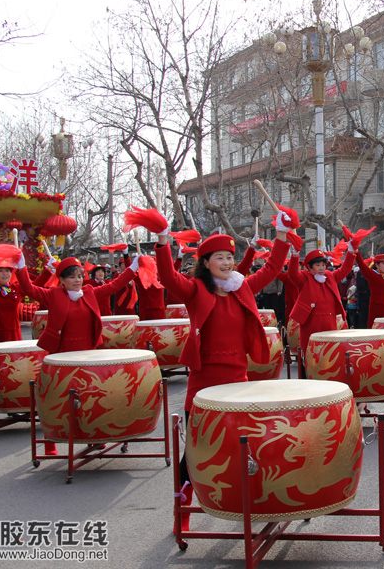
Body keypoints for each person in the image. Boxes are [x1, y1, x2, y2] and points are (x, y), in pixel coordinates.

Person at [154, 209, 292, 530]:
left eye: (231, 256)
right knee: (197, 453)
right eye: (220, 257)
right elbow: (166, 278)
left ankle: (260, 499)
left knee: (249, 444)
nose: (228, 262)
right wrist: (163, 240)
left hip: (238, 380)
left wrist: (282, 236)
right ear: (205, 262)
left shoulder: (241, 286)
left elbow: (271, 269)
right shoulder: (194, 290)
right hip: (204, 382)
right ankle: (183, 510)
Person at [17, 257, 137, 353]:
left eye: (79, 276)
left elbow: (114, 285)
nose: (77, 280)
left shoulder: (89, 292)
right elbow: (29, 289)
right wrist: (21, 267)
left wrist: (132, 268)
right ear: (62, 280)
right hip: (62, 352)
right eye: (72, 277)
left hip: (88, 350)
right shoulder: (53, 295)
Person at [288, 245, 357, 351]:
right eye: (318, 265)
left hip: (329, 322)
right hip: (311, 323)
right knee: (311, 352)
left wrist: (351, 252)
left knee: (329, 352)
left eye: (323, 265)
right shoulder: (304, 278)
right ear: (310, 267)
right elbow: (292, 274)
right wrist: (295, 255)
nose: (321, 268)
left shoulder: (330, 276)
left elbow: (345, 269)